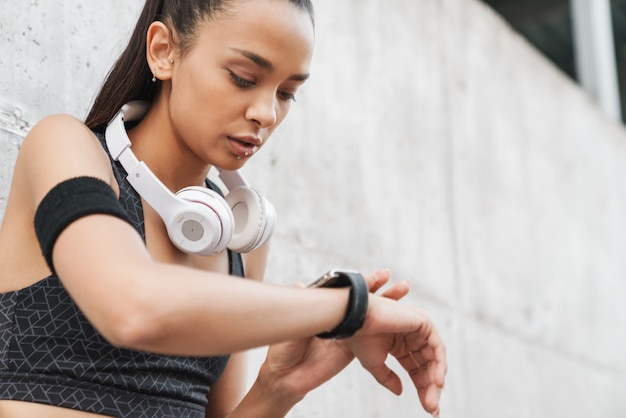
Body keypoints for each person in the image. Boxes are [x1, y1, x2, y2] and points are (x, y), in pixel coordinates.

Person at [0, 0, 447, 417]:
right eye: (244, 77)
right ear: (164, 51)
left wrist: (280, 388)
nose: (266, 113)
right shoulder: (64, 147)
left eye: (287, 93)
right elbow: (131, 308)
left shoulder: (240, 239)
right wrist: (345, 308)